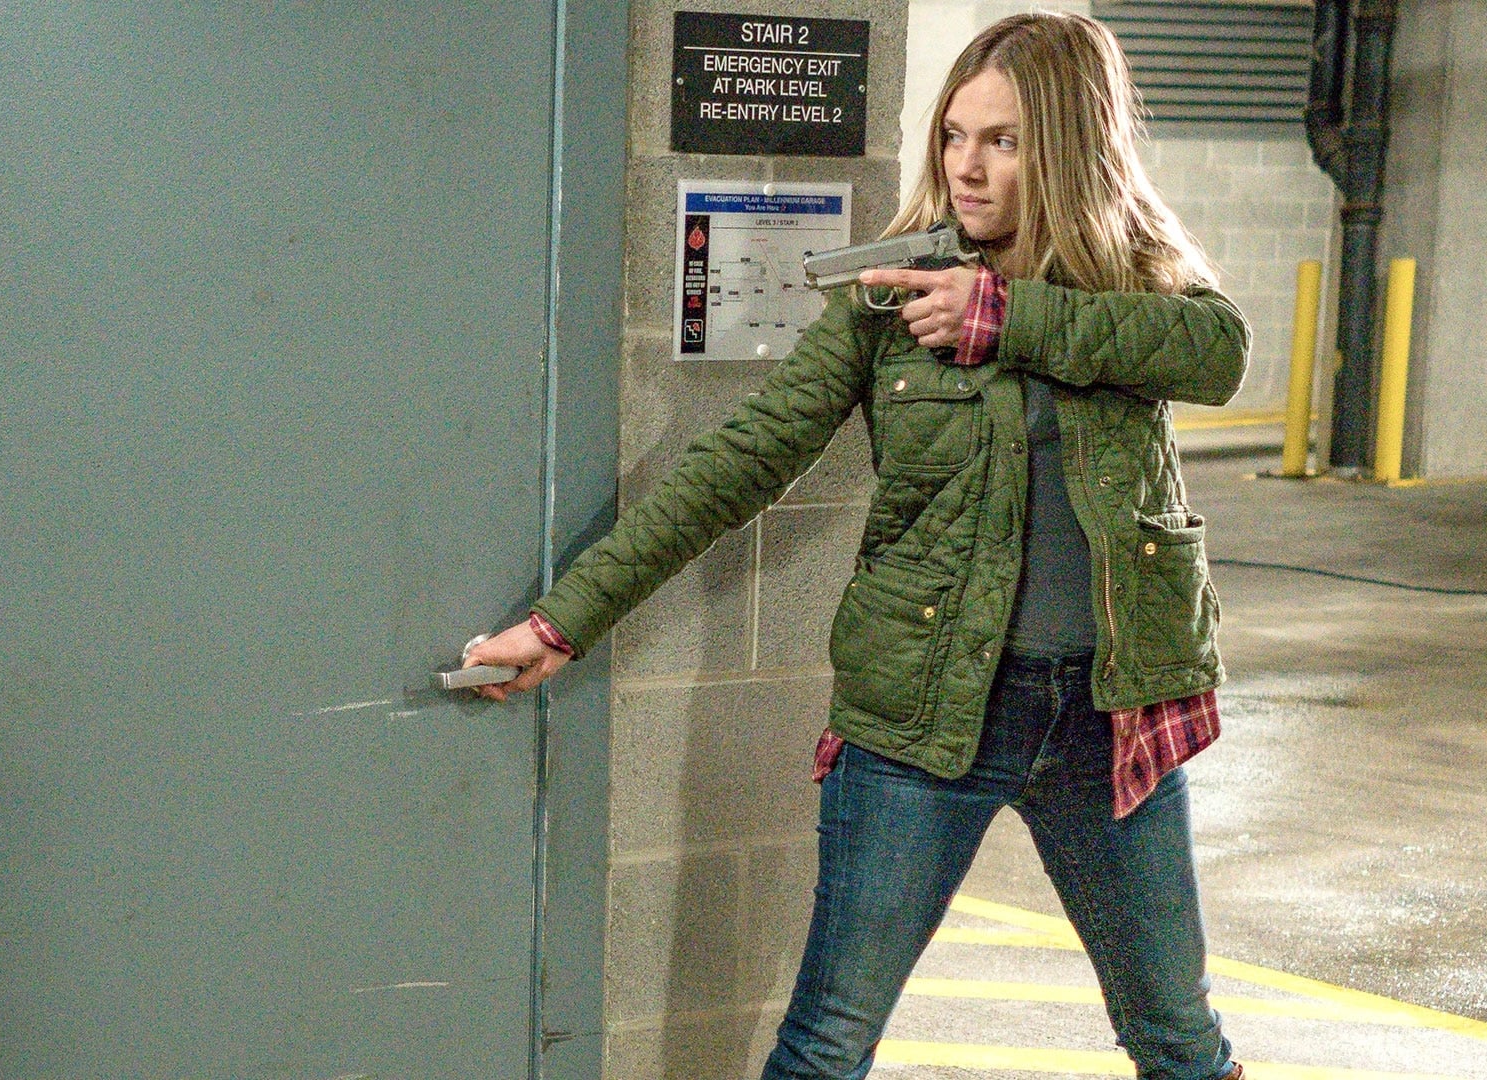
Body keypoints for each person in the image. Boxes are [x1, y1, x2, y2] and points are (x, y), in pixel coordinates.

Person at [467, 12, 1248, 1080]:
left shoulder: (1138, 280)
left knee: (1180, 1041)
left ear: (1070, 147)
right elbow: (741, 461)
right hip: (924, 713)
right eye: (954, 136)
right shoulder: (894, 295)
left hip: (1112, 714)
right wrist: (566, 619)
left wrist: (1007, 315)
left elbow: (1217, 353)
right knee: (828, 1042)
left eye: (1004, 141)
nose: (966, 167)